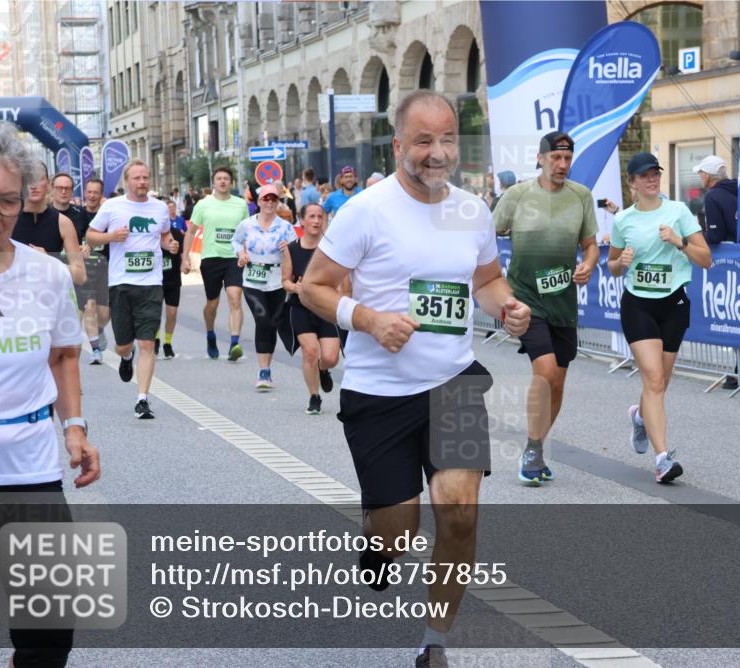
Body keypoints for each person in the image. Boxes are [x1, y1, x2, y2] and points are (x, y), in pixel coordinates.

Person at [299, 90, 530, 668]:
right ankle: (380, 541)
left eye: (447, 139)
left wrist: (507, 306)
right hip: (379, 393)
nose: (437, 153)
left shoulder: (473, 210)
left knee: (459, 509)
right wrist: (370, 319)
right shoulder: (366, 211)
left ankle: (435, 641)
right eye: (424, 141)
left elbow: (487, 279)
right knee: (398, 533)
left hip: (453, 383)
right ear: (399, 144)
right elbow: (313, 286)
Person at [0, 115, 100, 668]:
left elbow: (64, 355)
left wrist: (75, 428)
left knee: (47, 639)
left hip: (28, 468)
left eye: (8, 201)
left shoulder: (46, 276)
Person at [492, 131, 598, 485]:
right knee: (546, 371)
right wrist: (497, 286)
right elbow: (486, 236)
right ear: (540, 159)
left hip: (563, 303)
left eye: (567, 159)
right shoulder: (517, 195)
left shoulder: (581, 196)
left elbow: (590, 245)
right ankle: (535, 450)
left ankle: (534, 444)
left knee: (558, 382)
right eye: (556, 158)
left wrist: (588, 264)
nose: (562, 165)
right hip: (526, 299)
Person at [606, 152, 712, 483]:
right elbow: (611, 267)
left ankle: (639, 416)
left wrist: (678, 242)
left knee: (661, 382)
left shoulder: (678, 212)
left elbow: (706, 259)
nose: (651, 179)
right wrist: (621, 261)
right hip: (638, 304)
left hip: (674, 304)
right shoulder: (623, 220)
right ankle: (663, 458)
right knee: (652, 378)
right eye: (644, 175)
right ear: (632, 182)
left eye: (655, 173)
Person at [87, 160, 179, 419]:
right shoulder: (112, 206)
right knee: (123, 345)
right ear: (127, 181)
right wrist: (110, 237)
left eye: (145, 178)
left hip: (151, 283)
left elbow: (164, 235)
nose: (142, 182)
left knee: (147, 342)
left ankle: (142, 399)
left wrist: (169, 244)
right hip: (120, 283)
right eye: (137, 178)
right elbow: (90, 236)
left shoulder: (159, 207)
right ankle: (127, 358)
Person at [693, 155, 740, 390]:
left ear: (709, 176)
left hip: (730, 265)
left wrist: (695, 236)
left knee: (733, 315)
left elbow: (716, 235)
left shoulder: (713, 196)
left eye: (701, 173)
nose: (700, 177)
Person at [230, 184, 297, 391]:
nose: (269, 203)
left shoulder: (286, 227)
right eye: (265, 199)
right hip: (253, 278)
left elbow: (297, 251)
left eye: (273, 199)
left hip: (278, 279)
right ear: (258, 202)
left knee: (272, 323)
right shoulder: (247, 225)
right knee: (262, 319)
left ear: (278, 202)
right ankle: (262, 370)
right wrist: (240, 254)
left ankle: (267, 369)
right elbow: (235, 241)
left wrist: (288, 250)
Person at [181, 166, 249, 361]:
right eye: (219, 178)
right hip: (211, 259)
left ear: (231, 182)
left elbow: (247, 232)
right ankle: (210, 334)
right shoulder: (203, 204)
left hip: (233, 259)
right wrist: (185, 258)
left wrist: (246, 252)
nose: (222, 181)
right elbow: (191, 232)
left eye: (226, 178)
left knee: (235, 297)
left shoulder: (240, 204)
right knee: (213, 303)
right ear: (214, 182)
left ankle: (234, 343)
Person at [286, 203, 341, 414]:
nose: (316, 220)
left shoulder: (331, 248)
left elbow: (342, 280)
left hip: (325, 307)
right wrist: (295, 286)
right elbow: (285, 281)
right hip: (300, 307)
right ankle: (314, 396)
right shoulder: (291, 249)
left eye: (320, 216)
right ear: (302, 221)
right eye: (311, 216)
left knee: (330, 357)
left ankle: (323, 368)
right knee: (310, 352)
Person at [13, 162, 86, 286]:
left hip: (49, 297)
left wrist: (48, 261)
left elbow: (80, 276)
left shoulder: (63, 223)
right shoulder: (7, 219)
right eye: (28, 179)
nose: (33, 185)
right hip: (13, 296)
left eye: (38, 179)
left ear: (48, 185)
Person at [78, 178, 112, 363]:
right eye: (89, 192)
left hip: (105, 269)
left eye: (95, 193)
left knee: (105, 313)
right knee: (89, 306)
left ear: (101, 195)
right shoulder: (78, 215)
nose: (91, 196)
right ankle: (96, 350)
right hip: (85, 270)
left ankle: (99, 329)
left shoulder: (107, 215)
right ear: (85, 193)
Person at [155, 199, 187, 360]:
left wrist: (185, 263)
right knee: (154, 313)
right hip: (155, 280)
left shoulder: (176, 234)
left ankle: (167, 342)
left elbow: (182, 253)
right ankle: (155, 338)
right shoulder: (151, 233)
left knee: (172, 313)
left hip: (173, 279)